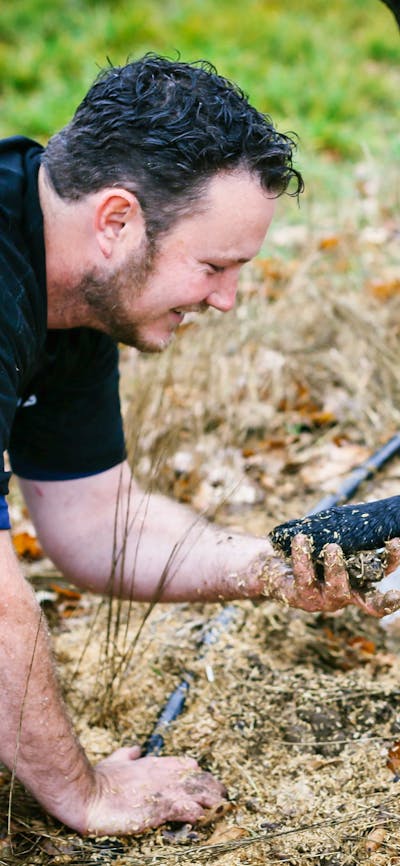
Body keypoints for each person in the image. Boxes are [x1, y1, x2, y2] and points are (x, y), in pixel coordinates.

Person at [1, 54, 399, 838]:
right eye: (214, 266)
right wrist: (86, 792)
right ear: (117, 221)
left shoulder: (72, 287)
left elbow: (96, 518)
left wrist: (264, 569)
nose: (228, 299)